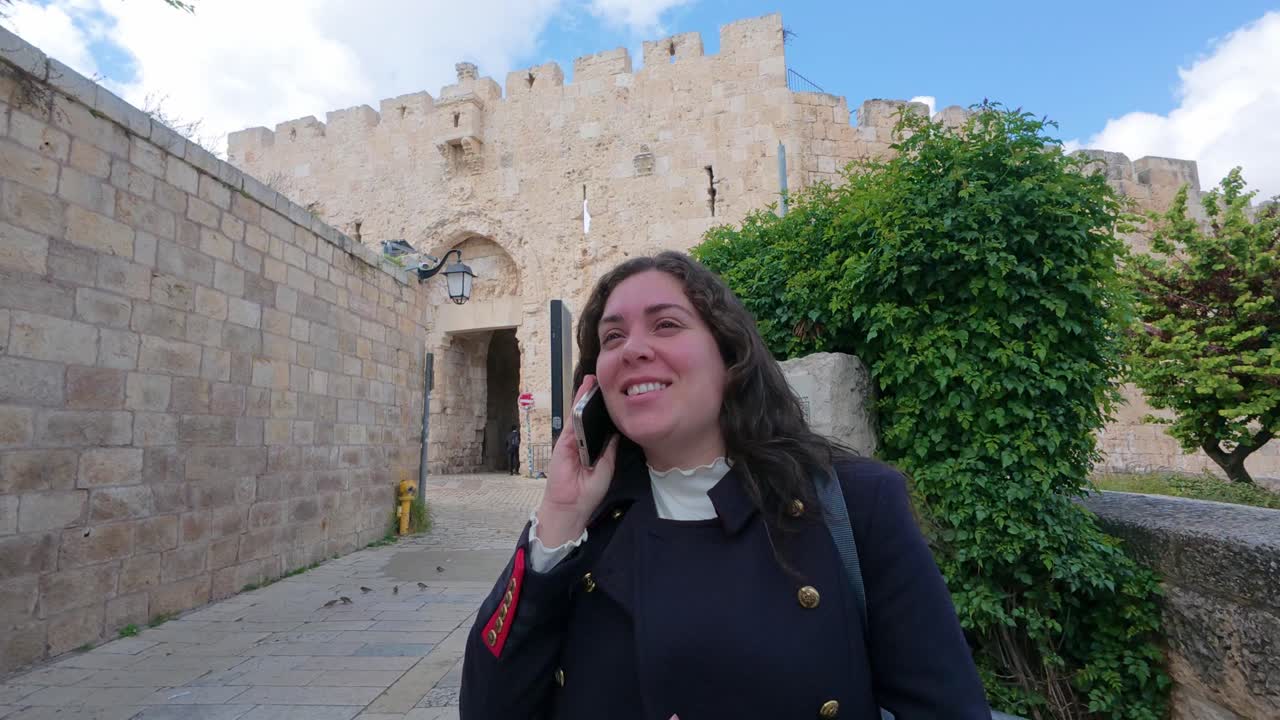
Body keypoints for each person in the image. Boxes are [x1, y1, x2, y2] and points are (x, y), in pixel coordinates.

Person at [460, 251, 989, 719]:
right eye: (613, 336)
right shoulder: (584, 526)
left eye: (666, 325)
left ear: (729, 355)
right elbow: (489, 707)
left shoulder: (858, 503)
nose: (633, 349)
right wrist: (557, 519)